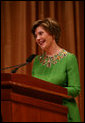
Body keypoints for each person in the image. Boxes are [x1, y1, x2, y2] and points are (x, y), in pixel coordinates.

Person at [31, 18, 81, 122]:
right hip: (41, 113)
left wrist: (51, 90)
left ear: (53, 34)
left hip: (64, 113)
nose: (37, 38)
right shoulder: (36, 61)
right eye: (36, 36)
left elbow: (75, 89)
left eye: (41, 33)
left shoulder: (69, 58)